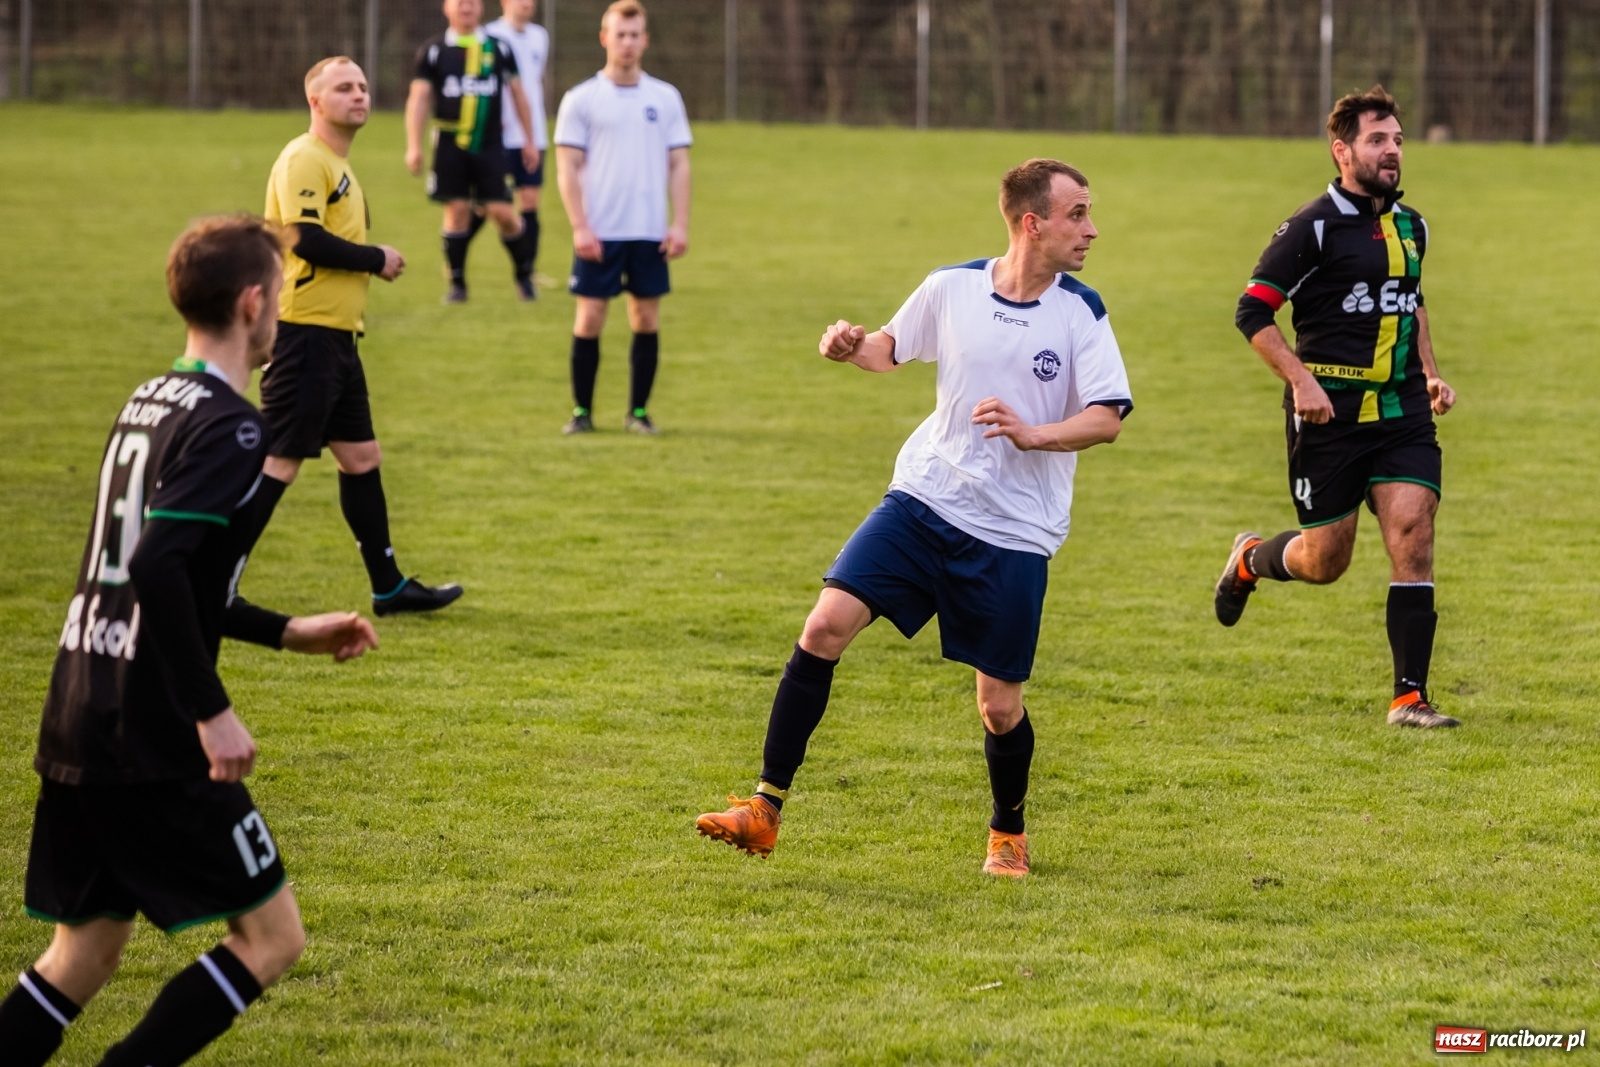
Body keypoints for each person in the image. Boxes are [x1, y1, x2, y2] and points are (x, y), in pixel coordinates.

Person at [0, 216, 379, 1067]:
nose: (279, 311)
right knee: (273, 937)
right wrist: (211, 712)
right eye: (277, 295)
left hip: (78, 710)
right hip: (155, 733)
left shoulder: (148, 400)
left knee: (82, 956)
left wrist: (285, 631)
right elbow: (157, 563)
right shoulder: (233, 425)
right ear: (253, 303)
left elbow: (153, 570)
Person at [696, 159, 1133, 878]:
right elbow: (887, 350)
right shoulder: (951, 287)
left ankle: (1008, 834)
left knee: (998, 707)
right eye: (1077, 213)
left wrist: (1034, 433)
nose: (1091, 228)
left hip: (1015, 531)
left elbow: (1107, 417)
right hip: (925, 497)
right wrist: (847, 347)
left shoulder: (1079, 312)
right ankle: (764, 810)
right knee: (823, 625)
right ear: (1033, 222)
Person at [1216, 85, 1459, 728]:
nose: (1392, 151)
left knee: (1413, 530)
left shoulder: (1414, 227)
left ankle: (1409, 697)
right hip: (1329, 415)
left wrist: (1431, 375)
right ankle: (1250, 559)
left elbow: (1411, 300)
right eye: (1377, 140)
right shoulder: (1310, 227)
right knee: (1327, 560)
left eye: (1398, 140)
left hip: (1402, 409)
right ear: (1342, 149)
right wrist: (1302, 382)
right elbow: (1253, 312)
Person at [263, 55, 464, 617]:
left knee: (361, 457)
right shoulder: (305, 157)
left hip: (338, 339)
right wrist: (377, 258)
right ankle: (210, 578)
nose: (359, 95)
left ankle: (389, 587)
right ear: (315, 101)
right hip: (304, 333)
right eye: (343, 88)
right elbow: (303, 238)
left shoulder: (336, 162)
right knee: (277, 463)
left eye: (363, 86)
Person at [553, 0, 692, 435]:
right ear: (604, 38)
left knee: (645, 319)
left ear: (645, 40)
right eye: (620, 34)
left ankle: (638, 412)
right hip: (601, 232)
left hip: (649, 231)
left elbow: (680, 164)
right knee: (590, 318)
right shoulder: (581, 99)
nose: (627, 42)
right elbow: (567, 167)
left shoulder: (665, 97)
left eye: (635, 35)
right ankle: (581, 413)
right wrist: (580, 225)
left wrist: (679, 223)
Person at [406, 0, 541, 303]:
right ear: (446, 8)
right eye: (459, 2)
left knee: (502, 212)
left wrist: (530, 140)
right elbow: (419, 99)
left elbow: (519, 95)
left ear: (481, 8)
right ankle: (457, 286)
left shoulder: (499, 48)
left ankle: (523, 274)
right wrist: (413, 145)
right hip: (450, 144)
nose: (466, 7)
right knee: (456, 210)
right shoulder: (434, 51)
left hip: (490, 143)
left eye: (472, 2)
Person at [466, 0, 550, 290]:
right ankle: (456, 257)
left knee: (529, 200)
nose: (526, 3)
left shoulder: (541, 36)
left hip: (532, 134)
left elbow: (532, 83)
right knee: (486, 205)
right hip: (498, 135)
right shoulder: (489, 35)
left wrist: (531, 133)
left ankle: (528, 268)